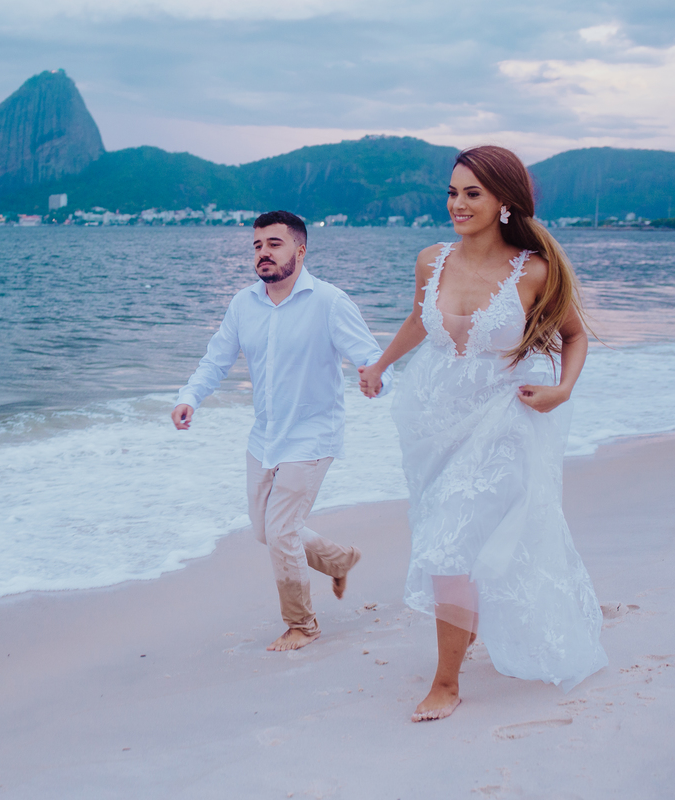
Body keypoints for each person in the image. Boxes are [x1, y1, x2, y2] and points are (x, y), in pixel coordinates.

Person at [358, 146, 607, 721]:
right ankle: (463, 629)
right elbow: (420, 320)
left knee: (447, 547)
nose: (458, 203)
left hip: (502, 420)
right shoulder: (431, 260)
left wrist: (563, 389)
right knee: (446, 534)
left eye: (472, 193)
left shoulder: (534, 270)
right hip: (432, 420)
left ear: (503, 202)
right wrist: (379, 365)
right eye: (452, 192)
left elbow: (574, 336)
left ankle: (445, 683)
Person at [172, 210, 392, 651]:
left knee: (282, 531)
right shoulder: (243, 304)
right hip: (265, 437)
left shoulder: (328, 302)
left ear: (300, 249)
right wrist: (189, 397)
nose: (264, 253)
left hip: (312, 436)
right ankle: (338, 560)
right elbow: (217, 360)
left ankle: (302, 625)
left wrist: (375, 378)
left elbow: (368, 354)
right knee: (265, 530)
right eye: (257, 246)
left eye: (274, 243)